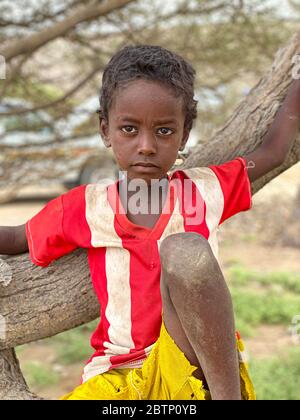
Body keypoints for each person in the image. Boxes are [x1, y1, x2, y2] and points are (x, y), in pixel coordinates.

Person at [1, 44, 299, 400]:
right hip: (120, 373)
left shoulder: (206, 189)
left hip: (194, 366)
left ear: (184, 134)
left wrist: (296, 80)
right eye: (129, 129)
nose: (146, 146)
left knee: (184, 248)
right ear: (105, 130)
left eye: (163, 131)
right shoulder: (86, 206)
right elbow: (18, 236)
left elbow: (272, 153)